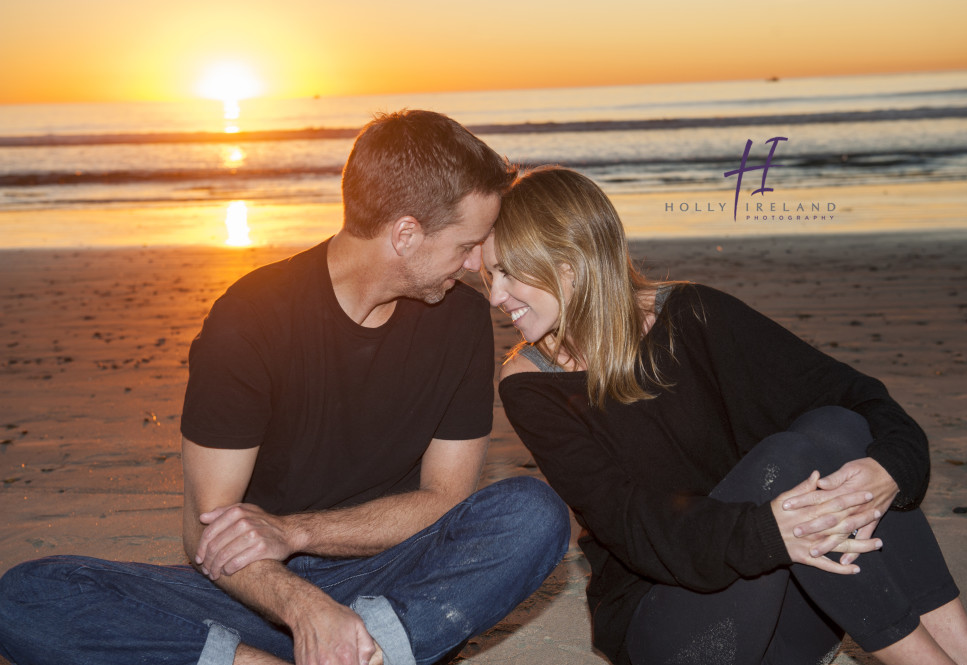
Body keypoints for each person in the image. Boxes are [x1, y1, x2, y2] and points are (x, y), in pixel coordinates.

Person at [0, 111, 570, 665]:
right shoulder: (251, 319)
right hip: (261, 594)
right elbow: (206, 525)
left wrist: (294, 530)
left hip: (395, 581)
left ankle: (370, 650)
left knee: (532, 513)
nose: (477, 265)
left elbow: (446, 500)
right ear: (405, 234)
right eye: (466, 245)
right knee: (26, 596)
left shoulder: (461, 321)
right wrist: (304, 610)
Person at [483, 165, 967, 665]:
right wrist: (767, 532)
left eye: (508, 271)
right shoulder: (531, 386)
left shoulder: (695, 313)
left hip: (794, 610)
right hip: (678, 630)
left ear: (568, 263)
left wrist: (891, 471)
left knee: (841, 428)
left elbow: (862, 398)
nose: (495, 295)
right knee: (790, 462)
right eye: (490, 274)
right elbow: (633, 523)